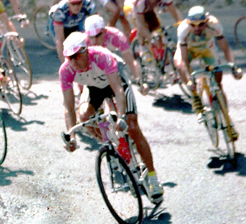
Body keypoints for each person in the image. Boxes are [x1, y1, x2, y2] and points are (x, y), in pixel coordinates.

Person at [59, 32, 164, 202]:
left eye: (76, 55)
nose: (73, 61)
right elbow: (68, 106)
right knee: (84, 116)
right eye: (69, 58)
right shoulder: (66, 70)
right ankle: (111, 144)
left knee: (132, 126)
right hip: (94, 88)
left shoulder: (101, 57)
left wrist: (121, 116)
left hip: (116, 83)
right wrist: (71, 135)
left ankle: (153, 177)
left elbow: (119, 90)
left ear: (86, 51)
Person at [174, 6, 242, 140]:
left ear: (207, 21)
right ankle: (195, 97)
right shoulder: (183, 30)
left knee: (218, 84)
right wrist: (189, 80)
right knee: (179, 64)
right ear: (188, 23)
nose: (197, 28)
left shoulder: (214, 24)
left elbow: (226, 49)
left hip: (207, 49)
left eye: (201, 24)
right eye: (193, 25)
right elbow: (185, 61)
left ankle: (228, 121)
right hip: (189, 49)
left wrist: (234, 67)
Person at [84, 15, 143, 91]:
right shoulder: (84, 42)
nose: (94, 41)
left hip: (111, 54)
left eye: (98, 35)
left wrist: (139, 81)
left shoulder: (116, 36)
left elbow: (131, 62)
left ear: (105, 31)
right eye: (91, 37)